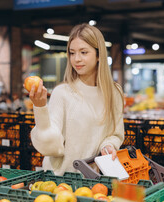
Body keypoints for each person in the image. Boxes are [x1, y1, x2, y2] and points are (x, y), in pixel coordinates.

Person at [27, 23, 125, 175]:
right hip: (60, 181)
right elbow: (49, 147)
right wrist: (40, 108)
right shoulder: (63, 93)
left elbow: (115, 133)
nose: (76, 59)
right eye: (72, 53)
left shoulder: (114, 93)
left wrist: (109, 145)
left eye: (84, 52)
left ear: (99, 55)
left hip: (94, 182)